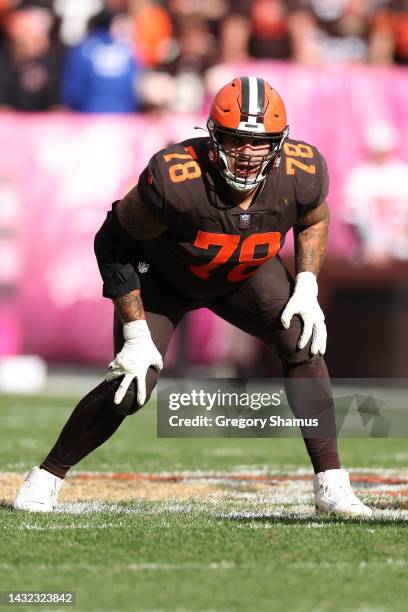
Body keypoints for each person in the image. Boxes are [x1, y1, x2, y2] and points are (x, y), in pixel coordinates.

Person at [14, 76, 372, 517]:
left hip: (245, 275)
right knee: (132, 385)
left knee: (303, 340)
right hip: (162, 280)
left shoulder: (303, 170)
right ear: (214, 136)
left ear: (280, 143)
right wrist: (135, 329)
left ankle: (331, 486)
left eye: (259, 143)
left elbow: (314, 217)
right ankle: (46, 476)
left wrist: (307, 283)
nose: (246, 154)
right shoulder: (175, 177)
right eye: (236, 140)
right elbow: (112, 242)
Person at [342, 121, 408, 266]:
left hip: (401, 244)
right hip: (369, 246)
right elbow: (353, 216)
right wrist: (371, 245)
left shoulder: (402, 174)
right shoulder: (360, 176)